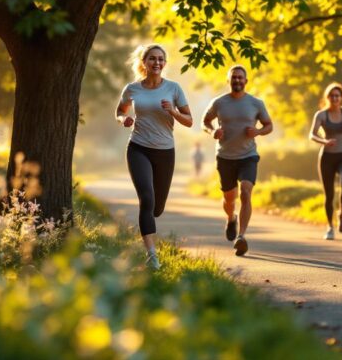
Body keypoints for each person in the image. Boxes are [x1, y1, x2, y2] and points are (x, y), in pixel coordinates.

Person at [116, 44, 193, 269]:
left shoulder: (174, 88)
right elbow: (120, 110)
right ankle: (152, 255)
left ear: (164, 63)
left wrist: (173, 111)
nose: (156, 63)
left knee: (157, 207)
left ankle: (151, 233)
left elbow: (189, 121)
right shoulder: (132, 89)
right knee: (147, 199)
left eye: (160, 59)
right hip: (138, 148)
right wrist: (124, 120)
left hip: (165, 152)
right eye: (152, 59)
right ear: (144, 62)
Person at [202, 65, 273, 256]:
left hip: (248, 156)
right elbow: (205, 121)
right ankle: (231, 217)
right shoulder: (219, 103)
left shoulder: (256, 103)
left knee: (246, 192)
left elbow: (269, 125)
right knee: (229, 198)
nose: (237, 80)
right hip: (225, 157)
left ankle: (241, 236)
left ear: (246, 81)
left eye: (241, 78)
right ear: (228, 81)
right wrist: (212, 131)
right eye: (234, 78)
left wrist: (257, 131)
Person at [309, 82, 342, 240]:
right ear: (327, 97)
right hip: (327, 157)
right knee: (329, 194)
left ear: (341, 97)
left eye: (337, 95)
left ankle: (341, 212)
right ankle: (330, 227)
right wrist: (324, 141)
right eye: (332, 96)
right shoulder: (321, 115)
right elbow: (312, 134)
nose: (335, 98)